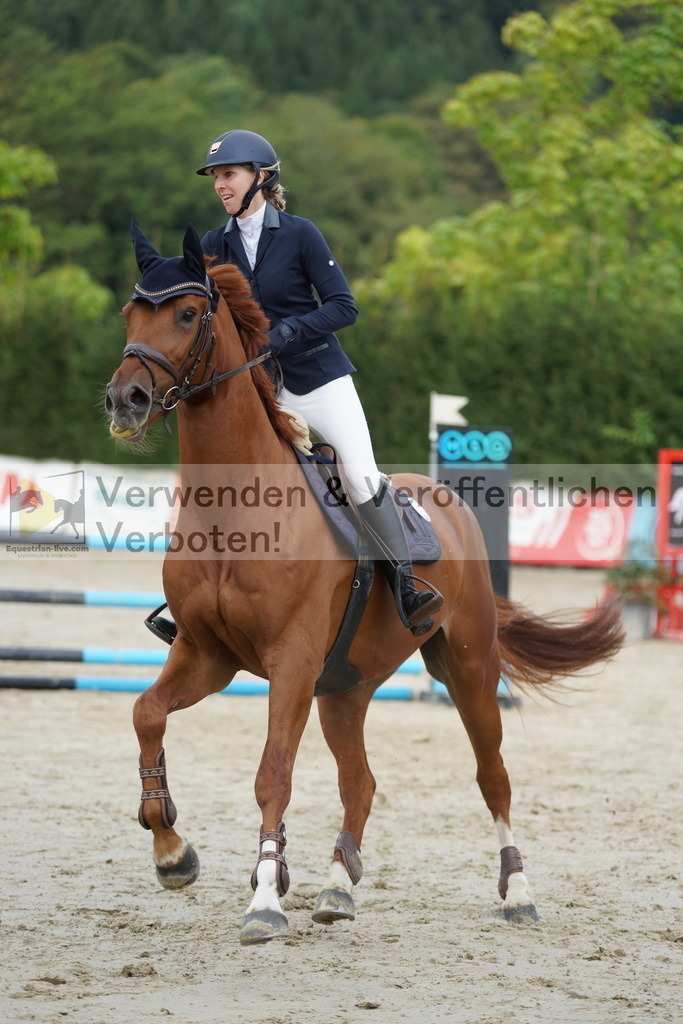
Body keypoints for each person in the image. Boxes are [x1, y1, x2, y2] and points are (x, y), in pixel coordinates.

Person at [197, 129, 442, 636]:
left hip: (317, 381)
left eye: (229, 174)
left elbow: (343, 307)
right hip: (260, 389)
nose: (220, 185)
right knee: (221, 481)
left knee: (360, 476)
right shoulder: (212, 245)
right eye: (217, 177)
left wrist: (287, 331)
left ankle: (406, 587)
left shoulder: (301, 234)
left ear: (261, 178)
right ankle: (196, 601)